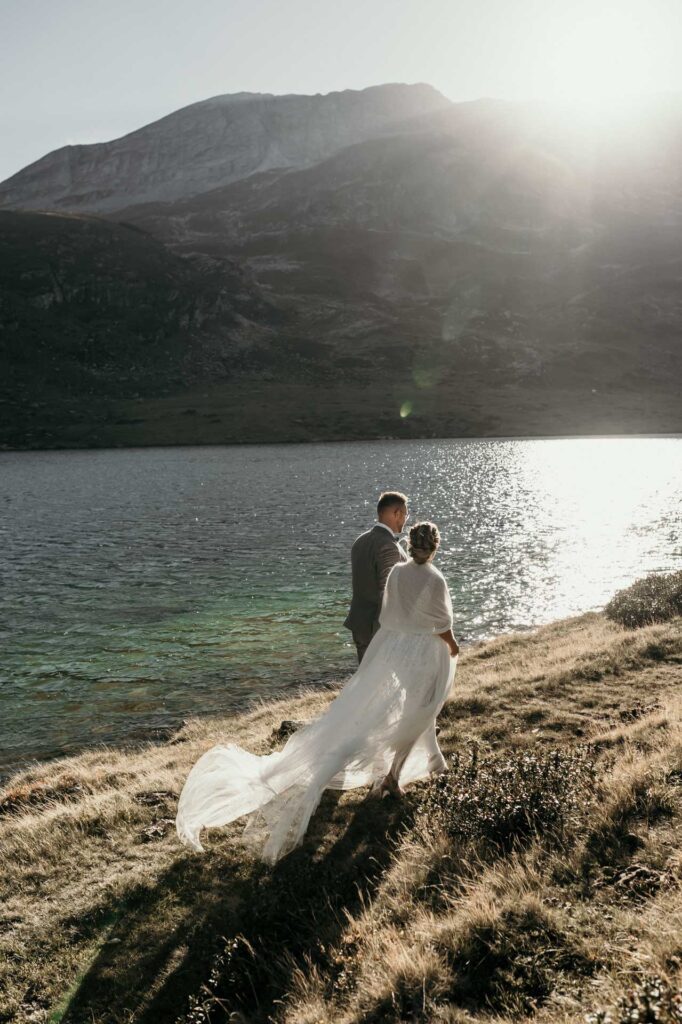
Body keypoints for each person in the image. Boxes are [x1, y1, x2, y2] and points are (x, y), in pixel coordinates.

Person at [175, 521, 459, 865]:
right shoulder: (435, 579)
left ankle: (430, 763)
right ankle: (393, 777)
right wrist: (453, 646)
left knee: (414, 711)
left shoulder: (398, 572)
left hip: (393, 647)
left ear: (411, 544)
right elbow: (442, 624)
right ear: (434, 547)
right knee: (419, 710)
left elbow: (390, 613)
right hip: (422, 652)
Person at [344, 491, 409, 663]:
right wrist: (386, 631)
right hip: (378, 628)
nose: (405, 520)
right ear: (397, 513)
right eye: (405, 514)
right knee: (382, 675)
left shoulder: (360, 541)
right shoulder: (388, 546)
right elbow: (387, 591)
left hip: (360, 623)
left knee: (364, 674)